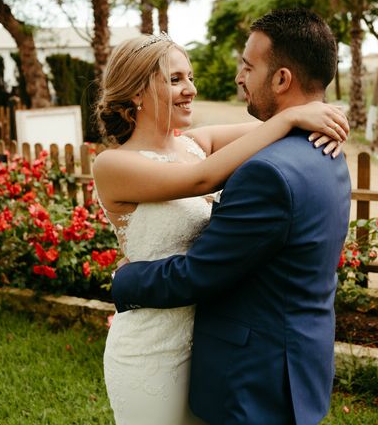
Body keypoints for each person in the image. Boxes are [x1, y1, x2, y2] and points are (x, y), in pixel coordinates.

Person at [93, 30, 349, 424]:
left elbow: (272, 127)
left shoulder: (197, 143)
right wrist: (295, 115)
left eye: (190, 77)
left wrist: (316, 112)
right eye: (174, 79)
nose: (190, 89)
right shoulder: (113, 165)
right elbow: (201, 180)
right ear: (136, 93)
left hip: (209, 345)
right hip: (153, 344)